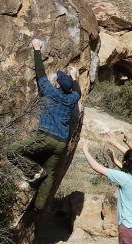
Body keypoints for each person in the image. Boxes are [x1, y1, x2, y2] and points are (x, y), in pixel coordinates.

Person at [10, 38, 80, 211]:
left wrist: (36, 49)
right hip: (61, 143)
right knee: (50, 175)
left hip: (45, 137)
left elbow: (40, 73)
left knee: (12, 152)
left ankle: (34, 169)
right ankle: (39, 207)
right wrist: (74, 78)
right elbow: (77, 92)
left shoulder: (49, 92)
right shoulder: (71, 98)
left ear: (56, 83)